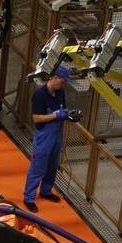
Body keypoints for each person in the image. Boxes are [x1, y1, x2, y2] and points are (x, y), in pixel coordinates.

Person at [23, 66, 73, 213]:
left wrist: (69, 114)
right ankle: (29, 198)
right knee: (38, 167)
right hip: (44, 135)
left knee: (52, 165)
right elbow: (36, 118)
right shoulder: (39, 95)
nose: (63, 85)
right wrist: (56, 116)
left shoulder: (59, 93)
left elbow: (62, 110)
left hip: (57, 134)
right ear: (55, 78)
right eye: (62, 82)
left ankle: (46, 191)